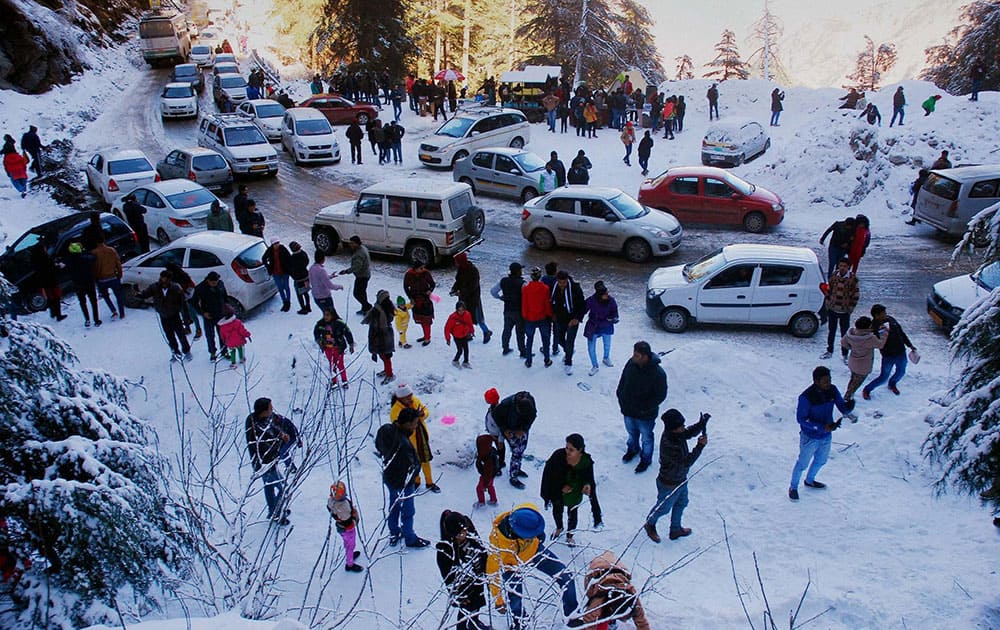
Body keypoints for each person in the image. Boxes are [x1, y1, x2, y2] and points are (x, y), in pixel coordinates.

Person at [485, 504, 581, 629]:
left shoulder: (527, 513)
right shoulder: (499, 546)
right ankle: (520, 622)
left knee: (566, 577)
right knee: (515, 598)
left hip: (535, 551)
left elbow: (536, 522)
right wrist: (498, 601)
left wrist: (539, 535)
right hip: (512, 565)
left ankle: (572, 614)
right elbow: (492, 573)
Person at [788, 366, 854, 501]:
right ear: (816, 381)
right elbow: (801, 419)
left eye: (829, 380)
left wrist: (848, 408)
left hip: (826, 435)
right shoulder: (806, 397)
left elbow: (841, 405)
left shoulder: (832, 390)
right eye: (825, 381)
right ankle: (793, 487)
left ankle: (810, 480)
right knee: (802, 463)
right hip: (810, 437)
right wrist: (821, 427)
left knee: (821, 460)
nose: (828, 383)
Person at [643, 409, 708, 542]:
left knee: (682, 503)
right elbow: (686, 462)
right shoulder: (669, 444)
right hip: (668, 483)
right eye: (681, 426)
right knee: (663, 508)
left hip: (680, 480)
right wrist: (700, 446)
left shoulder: (675, 434)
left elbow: (688, 432)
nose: (684, 428)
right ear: (674, 428)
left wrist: (701, 424)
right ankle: (649, 523)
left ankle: (675, 529)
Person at [375, 406, 431, 547]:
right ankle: (410, 538)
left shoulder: (385, 430)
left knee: (393, 506)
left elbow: (378, 446)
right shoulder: (404, 444)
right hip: (404, 483)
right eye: (415, 423)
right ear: (407, 423)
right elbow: (414, 466)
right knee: (408, 510)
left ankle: (394, 533)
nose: (416, 426)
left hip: (389, 478)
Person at [616, 341, 668, 474]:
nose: (634, 357)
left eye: (637, 355)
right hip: (628, 411)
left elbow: (660, 395)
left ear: (645, 357)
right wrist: (621, 397)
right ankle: (632, 449)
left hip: (645, 415)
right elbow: (623, 381)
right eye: (634, 354)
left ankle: (645, 459)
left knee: (646, 438)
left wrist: (645, 408)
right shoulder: (631, 364)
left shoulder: (658, 373)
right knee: (632, 433)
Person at [540, 434, 602, 545]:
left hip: (575, 493)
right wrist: (560, 487)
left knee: (573, 515)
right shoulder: (559, 456)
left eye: (571, 450)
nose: (567, 451)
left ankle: (570, 535)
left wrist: (587, 485)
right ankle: (559, 528)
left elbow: (588, 478)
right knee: (557, 511)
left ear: (580, 450)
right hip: (559, 493)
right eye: (567, 448)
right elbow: (550, 474)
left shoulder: (585, 462)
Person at [436, 510, 489, 630]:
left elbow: (480, 545)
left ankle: (474, 623)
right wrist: (458, 595)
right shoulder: (445, 551)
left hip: (478, 576)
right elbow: (448, 576)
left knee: (478, 603)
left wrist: (486, 565)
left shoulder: (467, 526)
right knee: (465, 610)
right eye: (460, 533)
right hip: (463, 585)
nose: (464, 534)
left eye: (465, 531)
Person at [245, 397, 291, 525]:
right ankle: (277, 513)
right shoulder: (253, 424)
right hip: (264, 463)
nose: (272, 410)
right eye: (270, 408)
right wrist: (279, 440)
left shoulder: (263, 420)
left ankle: (273, 511)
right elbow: (265, 439)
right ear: (263, 411)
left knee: (269, 486)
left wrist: (281, 434)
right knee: (283, 488)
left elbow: (273, 427)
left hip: (270, 461)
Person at [577, 551, 650, 630]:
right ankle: (606, 620)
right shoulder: (599, 600)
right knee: (600, 615)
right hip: (596, 569)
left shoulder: (632, 598)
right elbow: (588, 622)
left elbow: (642, 623)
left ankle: (610, 620)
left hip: (618, 568)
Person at [390, 383, 438, 491]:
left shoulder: (415, 401)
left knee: (425, 460)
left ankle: (429, 482)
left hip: (421, 437)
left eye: (411, 395)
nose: (410, 399)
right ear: (401, 398)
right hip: (409, 441)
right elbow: (397, 426)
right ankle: (416, 481)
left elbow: (426, 411)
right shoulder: (395, 410)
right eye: (407, 397)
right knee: (413, 462)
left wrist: (422, 414)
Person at [862, 304, 917, 399]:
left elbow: (901, 333)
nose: (885, 315)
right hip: (888, 355)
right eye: (883, 314)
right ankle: (867, 389)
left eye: (885, 313)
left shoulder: (891, 320)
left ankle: (892, 383)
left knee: (901, 371)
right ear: (876, 315)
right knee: (883, 377)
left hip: (900, 352)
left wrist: (910, 345)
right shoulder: (873, 327)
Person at [137, 270, 191, 361]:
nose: (164, 281)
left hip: (174, 315)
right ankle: (175, 352)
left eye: (166, 279)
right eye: (162, 278)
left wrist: (186, 318)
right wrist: (138, 294)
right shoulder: (154, 287)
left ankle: (186, 351)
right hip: (163, 316)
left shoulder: (176, 288)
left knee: (181, 334)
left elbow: (183, 304)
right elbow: (145, 294)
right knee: (169, 336)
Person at [492, 391, 537, 489]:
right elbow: (495, 415)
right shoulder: (506, 404)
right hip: (510, 430)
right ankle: (513, 475)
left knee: (521, 450)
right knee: (516, 452)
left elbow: (533, 416)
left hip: (522, 430)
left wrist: (523, 429)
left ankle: (516, 469)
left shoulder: (530, 403)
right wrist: (505, 429)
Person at [841, 315, 888, 404]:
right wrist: (884, 332)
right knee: (855, 384)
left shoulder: (850, 334)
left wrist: (851, 348)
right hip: (863, 367)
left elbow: (843, 342)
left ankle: (849, 396)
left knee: (853, 380)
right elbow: (880, 344)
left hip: (853, 362)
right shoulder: (869, 338)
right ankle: (847, 399)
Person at [821, 257, 859, 361]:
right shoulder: (834, 275)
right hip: (833, 309)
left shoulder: (853, 279)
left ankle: (845, 353)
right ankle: (829, 350)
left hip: (844, 311)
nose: (842, 268)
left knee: (844, 333)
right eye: (841, 266)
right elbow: (829, 290)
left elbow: (855, 296)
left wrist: (850, 309)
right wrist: (828, 304)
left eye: (845, 266)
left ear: (849, 268)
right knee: (831, 331)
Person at [450, 251, 491, 342]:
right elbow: (458, 281)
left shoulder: (473, 270)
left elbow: (473, 286)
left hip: (473, 298)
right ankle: (468, 334)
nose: (455, 263)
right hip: (464, 298)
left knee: (478, 318)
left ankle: (486, 332)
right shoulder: (461, 269)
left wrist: (461, 292)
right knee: (465, 317)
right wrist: (454, 289)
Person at [551, 270, 586, 375]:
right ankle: (568, 351)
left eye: (564, 282)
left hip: (572, 320)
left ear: (567, 280)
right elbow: (552, 302)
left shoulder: (575, 288)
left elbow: (582, 305)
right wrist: (553, 314)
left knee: (570, 341)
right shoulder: (554, 287)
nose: (562, 285)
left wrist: (577, 318)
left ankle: (568, 362)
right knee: (560, 339)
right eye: (560, 282)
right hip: (560, 319)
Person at [189, 271, 228, 360]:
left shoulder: (220, 284)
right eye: (213, 282)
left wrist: (226, 309)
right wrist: (203, 313)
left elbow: (225, 297)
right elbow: (194, 302)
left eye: (216, 282)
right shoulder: (200, 288)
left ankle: (224, 351)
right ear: (208, 280)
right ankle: (212, 353)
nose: (215, 284)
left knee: (223, 334)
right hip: (208, 315)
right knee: (210, 335)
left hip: (220, 314)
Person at [327, 481, 364, 572]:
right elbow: (348, 524)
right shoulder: (342, 507)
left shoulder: (331, 501)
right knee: (350, 544)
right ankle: (349, 564)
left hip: (340, 528)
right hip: (347, 530)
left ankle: (349, 554)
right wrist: (355, 519)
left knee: (347, 543)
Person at [491, 262, 526, 358]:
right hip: (519, 311)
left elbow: (493, 291)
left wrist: (500, 298)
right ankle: (523, 351)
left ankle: (505, 348)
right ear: (518, 272)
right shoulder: (523, 284)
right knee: (520, 332)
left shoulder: (504, 281)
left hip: (507, 310)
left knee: (507, 330)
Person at [583, 280, 618, 376]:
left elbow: (615, 312)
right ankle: (595, 365)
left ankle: (606, 358)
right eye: (605, 294)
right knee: (591, 348)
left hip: (606, 325)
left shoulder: (611, 300)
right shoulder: (591, 300)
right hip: (593, 326)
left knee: (607, 344)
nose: (607, 295)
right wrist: (577, 318)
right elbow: (583, 309)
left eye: (607, 293)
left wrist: (614, 318)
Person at [521, 266, 553, 369]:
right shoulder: (545, 288)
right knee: (545, 339)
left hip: (530, 318)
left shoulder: (526, 289)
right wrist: (549, 315)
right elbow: (546, 304)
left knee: (529, 339)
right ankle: (547, 359)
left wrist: (525, 316)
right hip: (542, 317)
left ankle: (529, 360)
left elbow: (524, 304)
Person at [363, 289, 397, 384]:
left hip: (382, 336)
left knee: (386, 356)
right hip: (383, 335)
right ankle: (387, 370)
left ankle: (389, 374)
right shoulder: (385, 308)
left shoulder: (380, 310)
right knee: (384, 355)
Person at [314, 308, 354, 387]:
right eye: (325, 315)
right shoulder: (321, 324)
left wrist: (351, 344)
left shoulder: (339, 323)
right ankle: (334, 381)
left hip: (338, 348)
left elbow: (348, 333)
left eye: (328, 315)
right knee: (332, 364)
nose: (326, 317)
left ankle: (344, 380)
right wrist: (319, 341)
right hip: (328, 348)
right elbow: (316, 332)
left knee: (340, 365)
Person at [65, 242, 100, 327]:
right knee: (93, 301)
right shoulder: (85, 258)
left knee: (82, 302)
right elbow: (93, 257)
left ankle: (87, 319)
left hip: (78, 284)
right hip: (89, 282)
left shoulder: (69, 261)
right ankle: (96, 319)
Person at [165, 261, 202, 340]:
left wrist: (186, 295)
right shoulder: (174, 277)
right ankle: (187, 327)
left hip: (188, 296)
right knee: (183, 312)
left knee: (191, 312)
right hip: (180, 297)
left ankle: (198, 329)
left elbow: (191, 286)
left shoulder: (182, 277)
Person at [92, 236, 125, 320]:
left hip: (102, 279)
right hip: (113, 277)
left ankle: (113, 310)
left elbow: (94, 267)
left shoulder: (94, 253)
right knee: (118, 295)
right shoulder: (111, 250)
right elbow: (118, 263)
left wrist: (96, 279)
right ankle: (122, 313)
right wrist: (119, 274)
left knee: (106, 296)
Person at [29, 242, 65, 321]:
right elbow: (51, 268)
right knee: (56, 297)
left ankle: (53, 313)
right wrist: (58, 266)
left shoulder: (35, 260)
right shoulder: (45, 258)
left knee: (50, 298)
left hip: (44, 282)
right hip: (51, 280)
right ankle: (58, 315)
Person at [403, 259, 436, 345]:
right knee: (421, 319)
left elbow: (432, 284)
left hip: (425, 300)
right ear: (415, 268)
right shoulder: (409, 275)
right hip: (416, 300)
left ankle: (427, 338)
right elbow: (406, 287)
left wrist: (430, 290)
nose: (423, 269)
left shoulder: (426, 273)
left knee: (426, 320)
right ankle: (425, 335)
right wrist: (410, 297)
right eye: (421, 268)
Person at [338, 236, 372, 314]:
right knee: (362, 292)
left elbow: (356, 267)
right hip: (366, 274)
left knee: (357, 293)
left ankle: (368, 307)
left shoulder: (359, 254)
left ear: (357, 243)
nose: (350, 245)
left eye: (352, 243)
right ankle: (365, 308)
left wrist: (346, 271)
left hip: (362, 276)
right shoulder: (363, 248)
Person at [263, 239, 293, 312]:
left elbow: (289, 258)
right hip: (275, 272)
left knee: (286, 287)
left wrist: (289, 268)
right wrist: (268, 266)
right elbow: (264, 258)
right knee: (280, 288)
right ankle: (284, 302)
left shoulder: (283, 249)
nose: (277, 245)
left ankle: (288, 302)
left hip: (285, 272)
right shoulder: (270, 250)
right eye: (275, 243)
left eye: (278, 243)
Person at [444, 300, 475, 368]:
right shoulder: (452, 317)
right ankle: (455, 360)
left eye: (462, 310)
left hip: (464, 335)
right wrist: (448, 339)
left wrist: (472, 331)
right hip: (457, 337)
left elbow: (470, 323)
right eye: (459, 310)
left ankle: (466, 362)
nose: (461, 312)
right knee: (460, 350)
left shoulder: (467, 314)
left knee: (466, 350)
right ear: (456, 310)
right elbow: (447, 328)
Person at [474, 434, 500, 507]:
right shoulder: (489, 451)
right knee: (490, 486)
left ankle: (481, 502)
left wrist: (485, 484)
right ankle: (493, 500)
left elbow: (488, 472)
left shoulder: (488, 459)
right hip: (491, 474)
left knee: (479, 488)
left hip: (487, 476)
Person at [288, 241, 311, 315]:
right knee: (306, 292)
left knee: (299, 294)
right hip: (306, 276)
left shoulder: (292, 258)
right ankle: (308, 306)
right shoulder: (303, 254)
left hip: (298, 279)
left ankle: (303, 308)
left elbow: (291, 268)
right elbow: (307, 261)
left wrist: (293, 275)